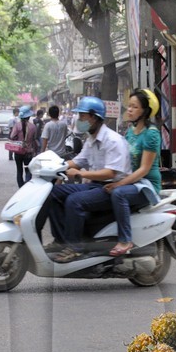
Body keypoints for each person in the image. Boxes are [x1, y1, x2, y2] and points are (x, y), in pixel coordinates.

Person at [41, 96, 131, 259]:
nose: (79, 120)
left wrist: (81, 173)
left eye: (82, 116)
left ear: (94, 117)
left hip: (111, 188)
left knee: (74, 201)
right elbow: (78, 161)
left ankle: (75, 247)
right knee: (52, 192)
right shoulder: (91, 140)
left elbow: (110, 173)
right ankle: (60, 240)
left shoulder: (113, 140)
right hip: (95, 185)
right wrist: (51, 166)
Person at [86, 88, 164, 258]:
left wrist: (119, 184)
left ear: (145, 111)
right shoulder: (130, 132)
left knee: (118, 194)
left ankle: (125, 240)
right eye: (129, 106)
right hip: (131, 181)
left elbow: (143, 169)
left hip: (146, 185)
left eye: (134, 107)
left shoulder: (151, 134)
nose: (129, 110)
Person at [8, 105, 38, 187]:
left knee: (19, 171)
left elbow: (12, 137)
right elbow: (34, 139)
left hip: (18, 152)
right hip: (28, 152)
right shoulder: (33, 126)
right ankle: (27, 185)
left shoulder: (17, 125)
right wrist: (35, 151)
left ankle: (20, 187)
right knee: (28, 170)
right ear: (29, 116)